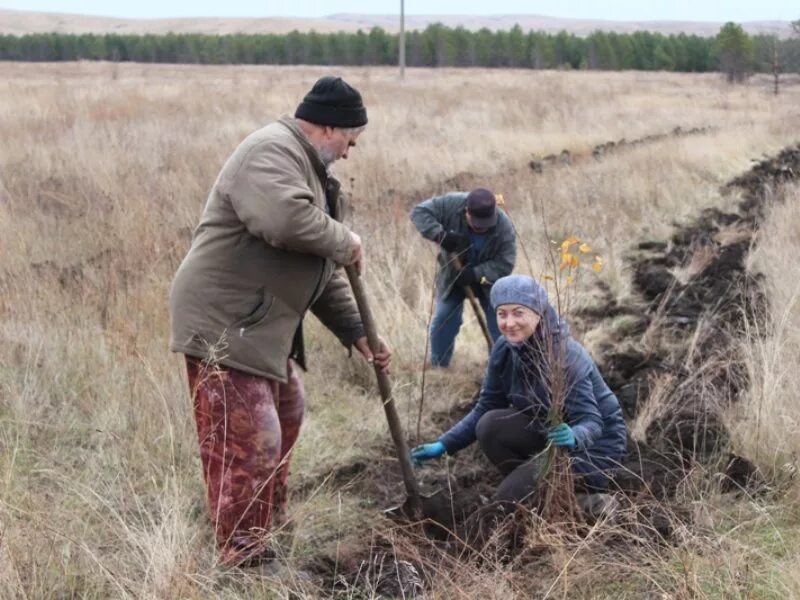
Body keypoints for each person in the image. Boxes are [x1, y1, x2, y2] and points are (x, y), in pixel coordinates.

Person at [169, 76, 391, 566]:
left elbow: (319, 269)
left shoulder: (309, 169)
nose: (351, 152)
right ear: (328, 125)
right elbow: (285, 222)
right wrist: (344, 239)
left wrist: (358, 333)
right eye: (350, 140)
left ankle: (262, 518)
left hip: (257, 325)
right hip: (224, 323)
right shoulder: (271, 152)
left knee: (286, 411)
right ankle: (243, 554)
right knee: (249, 437)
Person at [410, 274, 626, 507]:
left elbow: (592, 422)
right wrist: (444, 444)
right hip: (548, 436)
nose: (509, 323)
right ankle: (535, 489)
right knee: (490, 425)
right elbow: (486, 406)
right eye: (502, 314)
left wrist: (574, 436)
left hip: (593, 449)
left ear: (539, 313)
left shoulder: (565, 358)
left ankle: (583, 500)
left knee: (506, 501)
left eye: (518, 313)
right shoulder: (505, 350)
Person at [410, 188, 516, 367]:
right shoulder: (452, 204)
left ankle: (501, 368)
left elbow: (505, 263)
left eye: (486, 224)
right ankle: (438, 366)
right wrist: (439, 234)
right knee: (445, 318)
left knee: (500, 324)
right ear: (466, 212)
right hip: (453, 277)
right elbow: (419, 212)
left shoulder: (503, 226)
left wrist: (476, 273)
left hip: (487, 282)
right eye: (477, 224)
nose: (482, 228)